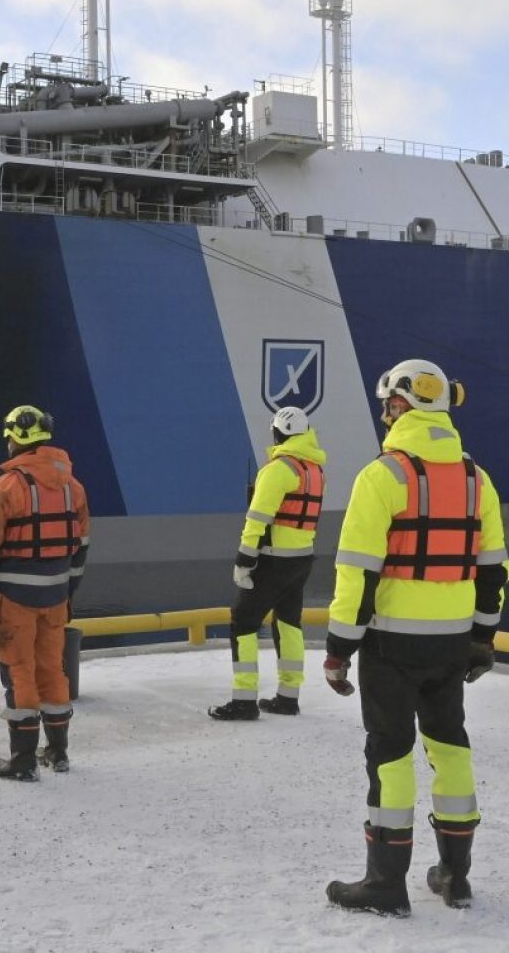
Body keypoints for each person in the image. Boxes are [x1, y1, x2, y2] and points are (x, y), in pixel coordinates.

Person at [324, 359, 507, 915]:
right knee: (450, 745)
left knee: (390, 755)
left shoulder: (383, 476)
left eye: (387, 404)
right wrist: (481, 638)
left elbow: (357, 570)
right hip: (453, 644)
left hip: (392, 646)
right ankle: (455, 875)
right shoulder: (478, 479)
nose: (384, 414)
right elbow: (493, 567)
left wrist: (338, 650)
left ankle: (385, 883)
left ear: (402, 405)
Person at [0, 405, 90, 781]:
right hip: (55, 598)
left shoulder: (3, 489)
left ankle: (22, 761)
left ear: (15, 438)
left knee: (19, 674)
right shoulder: (74, 487)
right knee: (53, 670)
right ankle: (58, 751)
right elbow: (80, 547)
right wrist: (68, 592)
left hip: (14, 602)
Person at [209, 406, 326, 720]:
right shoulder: (314, 470)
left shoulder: (278, 469)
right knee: (289, 624)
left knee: (243, 622)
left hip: (273, 562)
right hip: (301, 560)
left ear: (279, 432)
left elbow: (257, 519)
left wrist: (244, 559)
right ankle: (289, 697)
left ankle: (244, 699)